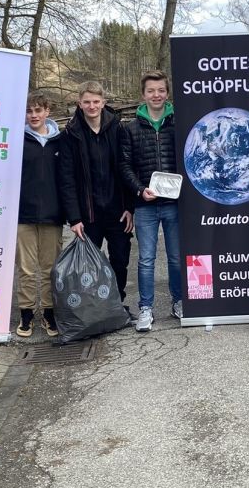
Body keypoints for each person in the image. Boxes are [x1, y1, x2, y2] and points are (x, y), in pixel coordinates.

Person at [60, 82, 133, 318]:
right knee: (89, 267)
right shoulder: (71, 134)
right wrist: (74, 217)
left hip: (117, 211)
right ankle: (95, 312)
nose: (92, 106)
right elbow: (67, 179)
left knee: (120, 261)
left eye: (96, 101)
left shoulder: (117, 128)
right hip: (88, 215)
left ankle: (117, 305)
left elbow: (126, 168)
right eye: (87, 102)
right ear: (79, 104)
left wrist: (129, 208)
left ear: (103, 102)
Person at [120, 70, 183, 333]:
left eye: (160, 90)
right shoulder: (131, 129)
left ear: (167, 94)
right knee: (146, 259)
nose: (156, 95)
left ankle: (179, 301)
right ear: (143, 95)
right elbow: (124, 165)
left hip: (174, 203)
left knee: (176, 258)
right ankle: (146, 307)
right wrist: (139, 190)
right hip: (145, 204)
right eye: (151, 91)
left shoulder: (179, 124)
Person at [15, 92, 66, 338]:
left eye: (38, 110)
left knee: (49, 268)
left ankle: (48, 312)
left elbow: (67, 179)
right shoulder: (17, 140)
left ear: (47, 112)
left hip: (52, 216)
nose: (34, 115)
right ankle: (26, 312)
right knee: (26, 268)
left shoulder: (61, 141)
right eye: (29, 111)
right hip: (23, 215)